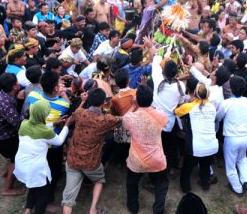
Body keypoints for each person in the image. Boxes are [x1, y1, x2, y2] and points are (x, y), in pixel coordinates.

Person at [62, 89, 121, 214]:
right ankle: (93, 209)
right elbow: (123, 119)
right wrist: (134, 105)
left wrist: (82, 101)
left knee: (68, 198)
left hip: (72, 158)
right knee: (99, 180)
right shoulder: (105, 120)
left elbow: (76, 111)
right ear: (104, 102)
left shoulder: (80, 113)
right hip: (91, 162)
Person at [14, 100, 73, 214]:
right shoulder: (45, 132)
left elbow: (38, 127)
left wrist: (54, 123)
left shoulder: (24, 124)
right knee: (43, 193)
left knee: (33, 186)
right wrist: (66, 125)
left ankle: (28, 210)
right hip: (35, 168)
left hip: (22, 162)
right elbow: (59, 141)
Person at [26, 71, 70, 208]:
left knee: (36, 173)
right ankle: (48, 200)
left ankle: (29, 205)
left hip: (35, 142)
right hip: (53, 146)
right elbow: (68, 106)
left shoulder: (32, 96)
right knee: (52, 173)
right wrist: (63, 94)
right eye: (59, 83)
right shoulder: (63, 105)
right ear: (56, 88)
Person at [123, 85, 169, 214]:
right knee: (162, 183)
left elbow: (125, 122)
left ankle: (133, 206)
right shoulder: (161, 115)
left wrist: (133, 106)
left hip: (137, 159)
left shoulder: (130, 118)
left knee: (131, 182)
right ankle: (158, 210)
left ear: (136, 100)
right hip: (156, 159)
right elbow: (164, 122)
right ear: (152, 99)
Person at [175, 82, 218, 192]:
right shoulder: (212, 107)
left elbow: (176, 112)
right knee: (205, 166)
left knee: (187, 168)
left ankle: (186, 188)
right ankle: (205, 185)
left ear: (194, 93)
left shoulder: (189, 107)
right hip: (211, 145)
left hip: (195, 146)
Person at [0, 73, 24, 196]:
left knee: (12, 151)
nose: (19, 84)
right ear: (14, 86)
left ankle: (5, 173)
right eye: (17, 82)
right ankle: (7, 188)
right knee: (16, 158)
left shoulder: (5, 95)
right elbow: (17, 123)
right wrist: (29, 113)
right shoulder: (6, 103)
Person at [216, 76, 247, 196]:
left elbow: (218, 117)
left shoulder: (226, 103)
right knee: (242, 158)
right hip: (246, 136)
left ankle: (237, 188)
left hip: (232, 137)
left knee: (230, 164)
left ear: (231, 89)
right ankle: (246, 179)